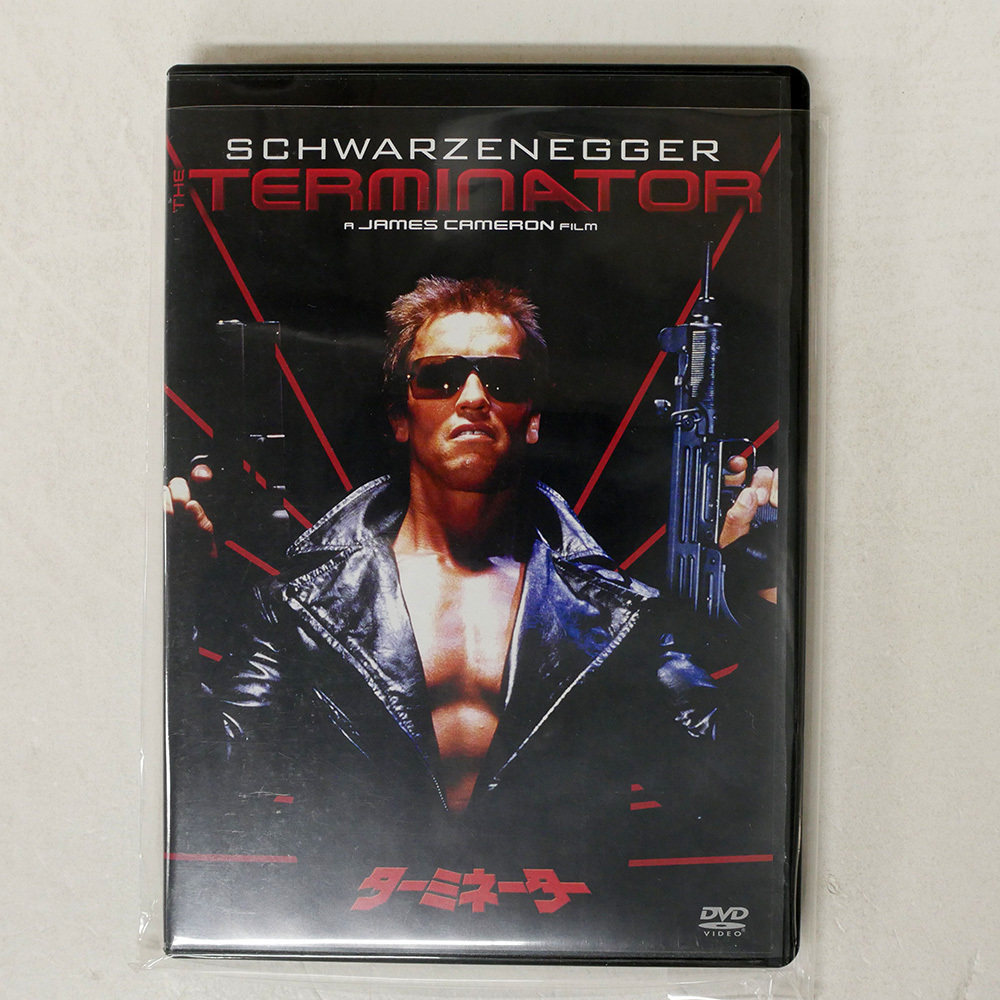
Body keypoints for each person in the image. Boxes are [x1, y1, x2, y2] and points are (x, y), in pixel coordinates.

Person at [165, 276, 777, 829]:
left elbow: (726, 775)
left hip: (549, 900)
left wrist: (770, 588)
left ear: (531, 418)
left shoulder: (618, 615)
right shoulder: (300, 604)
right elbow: (211, 767)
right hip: (359, 903)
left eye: (502, 380)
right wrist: (171, 594)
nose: (474, 397)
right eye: (440, 377)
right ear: (400, 416)